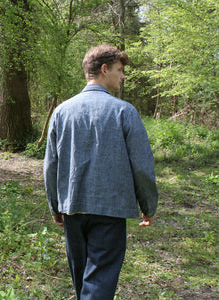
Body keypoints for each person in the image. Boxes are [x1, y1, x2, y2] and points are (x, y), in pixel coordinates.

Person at [44, 44, 158, 300]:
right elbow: (142, 164)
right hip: (110, 209)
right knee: (98, 284)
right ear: (104, 69)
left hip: (73, 207)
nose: (123, 76)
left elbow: (50, 166)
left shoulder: (62, 112)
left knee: (84, 280)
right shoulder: (124, 111)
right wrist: (148, 205)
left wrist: (55, 206)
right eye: (119, 70)